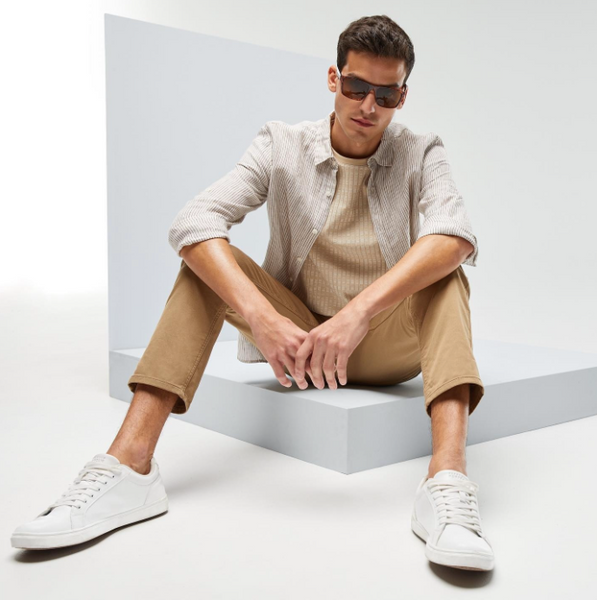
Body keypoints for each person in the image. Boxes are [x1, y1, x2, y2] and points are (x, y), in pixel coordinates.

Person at [11, 14, 494, 571]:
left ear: (402, 96)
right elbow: (194, 220)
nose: (368, 106)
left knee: (446, 270)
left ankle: (448, 488)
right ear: (334, 79)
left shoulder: (421, 149)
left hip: (387, 344)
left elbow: (457, 234)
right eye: (358, 87)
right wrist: (262, 319)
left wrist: (359, 314)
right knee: (204, 262)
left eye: (385, 95)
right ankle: (130, 468)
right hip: (301, 341)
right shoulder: (281, 144)